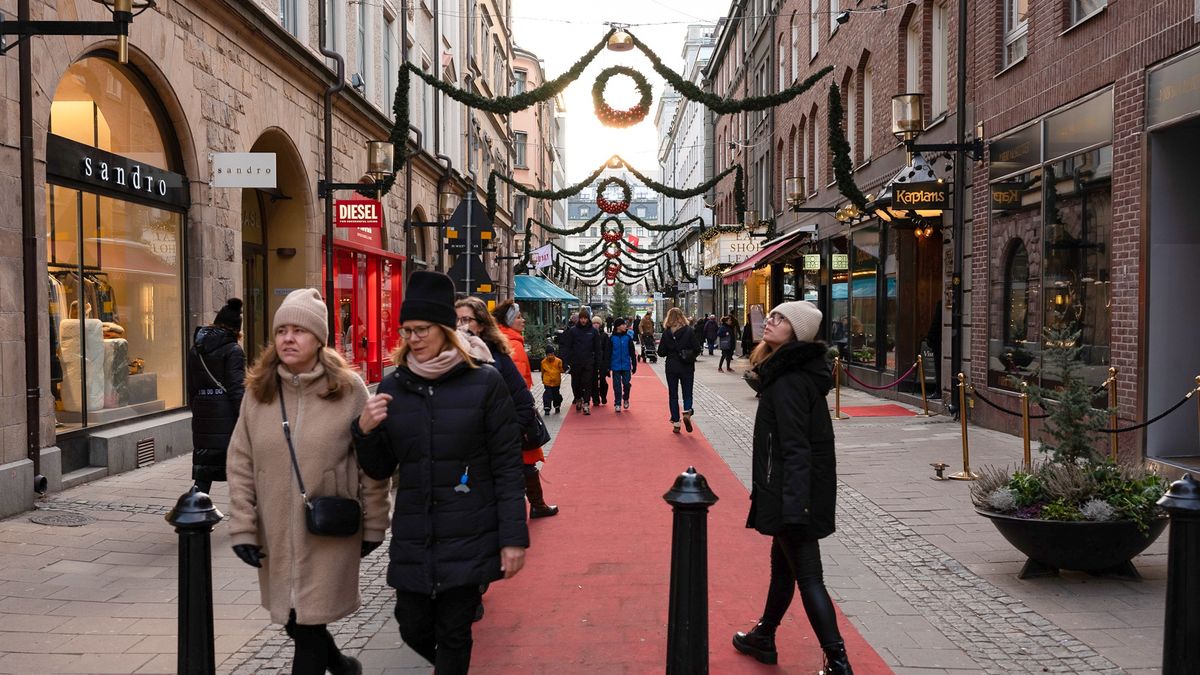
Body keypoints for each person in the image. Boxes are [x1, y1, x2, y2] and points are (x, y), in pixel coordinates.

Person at [353, 272, 528, 674]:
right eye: (407, 330)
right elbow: (380, 467)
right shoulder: (394, 385)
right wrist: (363, 431)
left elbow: (505, 465)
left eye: (421, 330)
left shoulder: (484, 383)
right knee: (412, 625)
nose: (413, 338)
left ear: (445, 330)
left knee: (454, 630)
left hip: (469, 528)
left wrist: (512, 538)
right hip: (416, 529)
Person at [225, 288, 391, 675]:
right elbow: (241, 464)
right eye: (282, 330)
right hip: (276, 533)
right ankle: (344, 667)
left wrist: (374, 524)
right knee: (293, 621)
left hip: (328, 534)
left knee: (310, 621)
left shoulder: (349, 390)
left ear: (319, 339)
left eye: (299, 330)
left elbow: (371, 466)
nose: (288, 338)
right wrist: (243, 528)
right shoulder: (258, 392)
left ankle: (337, 666)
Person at [732, 300, 851, 674]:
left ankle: (838, 661)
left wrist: (794, 507)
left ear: (797, 332)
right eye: (772, 314)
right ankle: (764, 636)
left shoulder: (787, 381)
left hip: (792, 493)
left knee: (809, 576)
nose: (771, 320)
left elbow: (797, 448)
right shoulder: (793, 372)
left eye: (781, 318)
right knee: (782, 567)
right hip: (792, 489)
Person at [485, 298, 559, 519]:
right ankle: (536, 505)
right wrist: (523, 415)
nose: (523, 320)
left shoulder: (502, 339)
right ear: (508, 321)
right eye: (518, 317)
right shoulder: (512, 343)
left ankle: (535, 504)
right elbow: (516, 384)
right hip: (515, 414)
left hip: (507, 413)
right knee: (525, 461)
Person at [188, 297, 246, 494]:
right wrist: (246, 415)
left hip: (202, 411)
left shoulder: (196, 349)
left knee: (204, 470)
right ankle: (245, 511)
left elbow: (191, 385)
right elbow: (237, 388)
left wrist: (196, 407)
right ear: (236, 329)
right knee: (237, 465)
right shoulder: (233, 350)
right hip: (225, 414)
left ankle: (194, 509)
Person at [657, 307, 702, 433]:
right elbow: (697, 348)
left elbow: (661, 352)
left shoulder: (667, 332)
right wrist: (690, 356)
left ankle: (676, 422)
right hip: (686, 366)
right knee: (687, 392)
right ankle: (687, 411)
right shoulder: (689, 331)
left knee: (673, 395)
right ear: (682, 316)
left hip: (671, 366)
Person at [558, 309, 603, 415]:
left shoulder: (593, 331)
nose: (583, 320)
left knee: (587, 383)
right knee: (576, 383)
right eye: (582, 318)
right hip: (576, 362)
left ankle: (586, 403)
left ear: (588, 319)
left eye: (585, 318)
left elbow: (597, 348)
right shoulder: (573, 331)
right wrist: (565, 361)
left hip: (588, 361)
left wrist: (598, 362)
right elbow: (567, 347)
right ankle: (578, 398)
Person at [608, 318, 638, 412]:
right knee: (616, 385)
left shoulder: (628, 338)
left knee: (626, 384)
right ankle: (617, 403)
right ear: (618, 326)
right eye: (623, 325)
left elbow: (632, 353)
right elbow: (608, 353)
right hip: (615, 365)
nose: (625, 326)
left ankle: (626, 398)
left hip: (626, 365)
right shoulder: (612, 338)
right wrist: (608, 367)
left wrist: (634, 364)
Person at [592, 316, 611, 407]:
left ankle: (603, 396)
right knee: (593, 381)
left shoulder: (604, 335)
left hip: (602, 362)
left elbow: (607, 350)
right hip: (592, 361)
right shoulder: (590, 334)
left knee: (603, 381)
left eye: (597, 323)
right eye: (594, 323)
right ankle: (595, 399)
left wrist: (607, 363)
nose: (596, 325)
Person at [540, 346, 564, 414]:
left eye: (551, 354)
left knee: (556, 394)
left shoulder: (558, 361)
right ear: (546, 354)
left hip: (556, 382)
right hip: (547, 382)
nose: (550, 356)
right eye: (548, 354)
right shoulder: (543, 362)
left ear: (554, 353)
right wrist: (543, 379)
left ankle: (557, 405)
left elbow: (561, 370)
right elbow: (542, 371)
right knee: (548, 394)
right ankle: (547, 407)